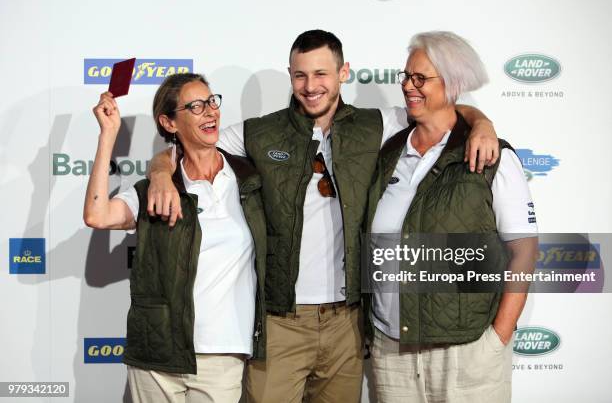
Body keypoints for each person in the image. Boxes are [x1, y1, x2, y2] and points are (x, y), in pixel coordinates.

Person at [147, 30, 501, 403]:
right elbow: (192, 143)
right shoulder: (261, 132)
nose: (310, 85)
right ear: (290, 75)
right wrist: (158, 172)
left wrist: (482, 123)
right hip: (280, 321)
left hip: (346, 324)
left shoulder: (376, 125)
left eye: (321, 74)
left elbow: (441, 109)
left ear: (343, 73)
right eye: (300, 75)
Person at [364, 31, 539, 403]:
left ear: (453, 83)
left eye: (421, 78)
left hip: (467, 352)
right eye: (406, 76)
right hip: (391, 351)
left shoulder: (492, 157)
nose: (408, 86)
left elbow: (523, 251)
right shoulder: (388, 145)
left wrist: (498, 338)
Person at [83, 73, 266, 403]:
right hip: (158, 355)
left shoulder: (248, 179)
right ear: (169, 122)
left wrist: (160, 168)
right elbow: (97, 215)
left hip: (222, 354)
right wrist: (108, 136)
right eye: (195, 106)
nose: (210, 112)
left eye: (212, 101)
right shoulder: (154, 191)